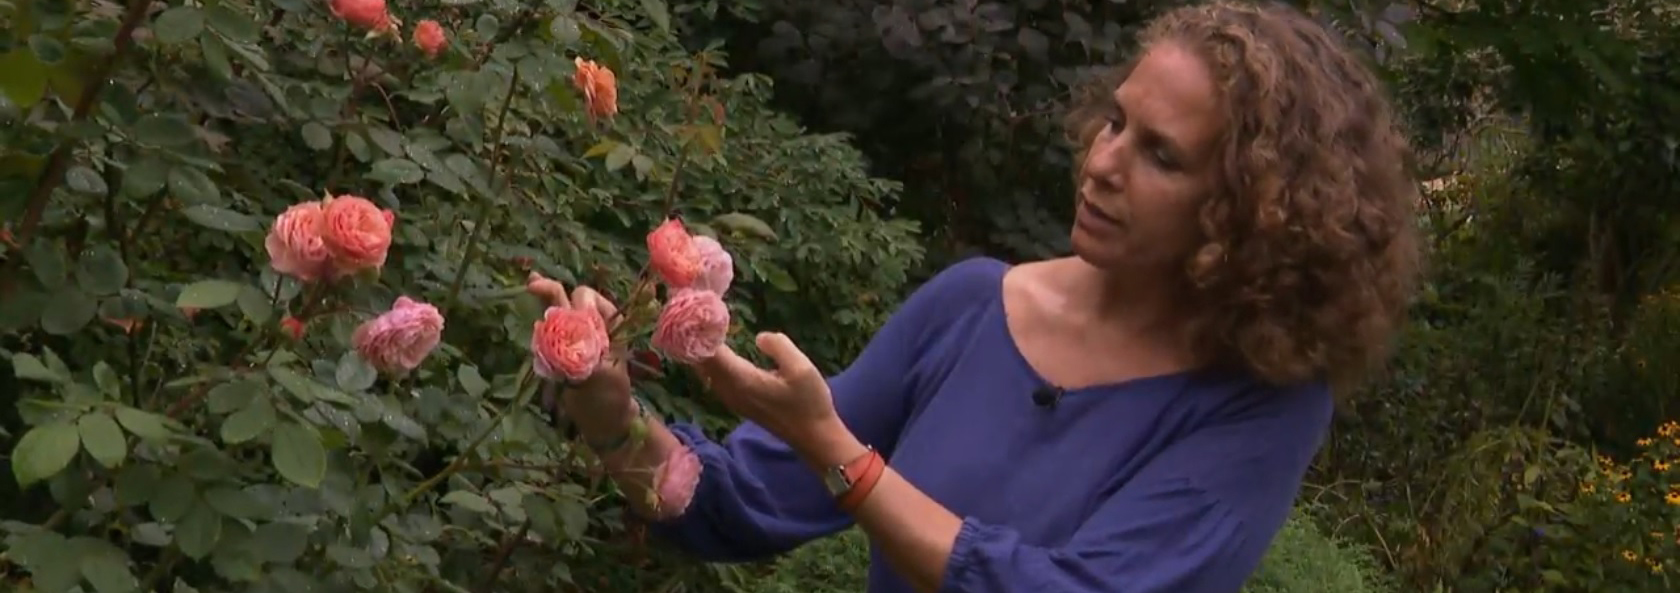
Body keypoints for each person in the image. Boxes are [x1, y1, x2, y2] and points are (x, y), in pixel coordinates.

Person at [525, 1, 1422, 591]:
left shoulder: (1262, 405)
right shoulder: (971, 306)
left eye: (1162, 155)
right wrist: (612, 415)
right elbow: (731, 503)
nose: (1104, 163)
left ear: (1254, 211)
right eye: (1116, 121)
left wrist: (840, 454)